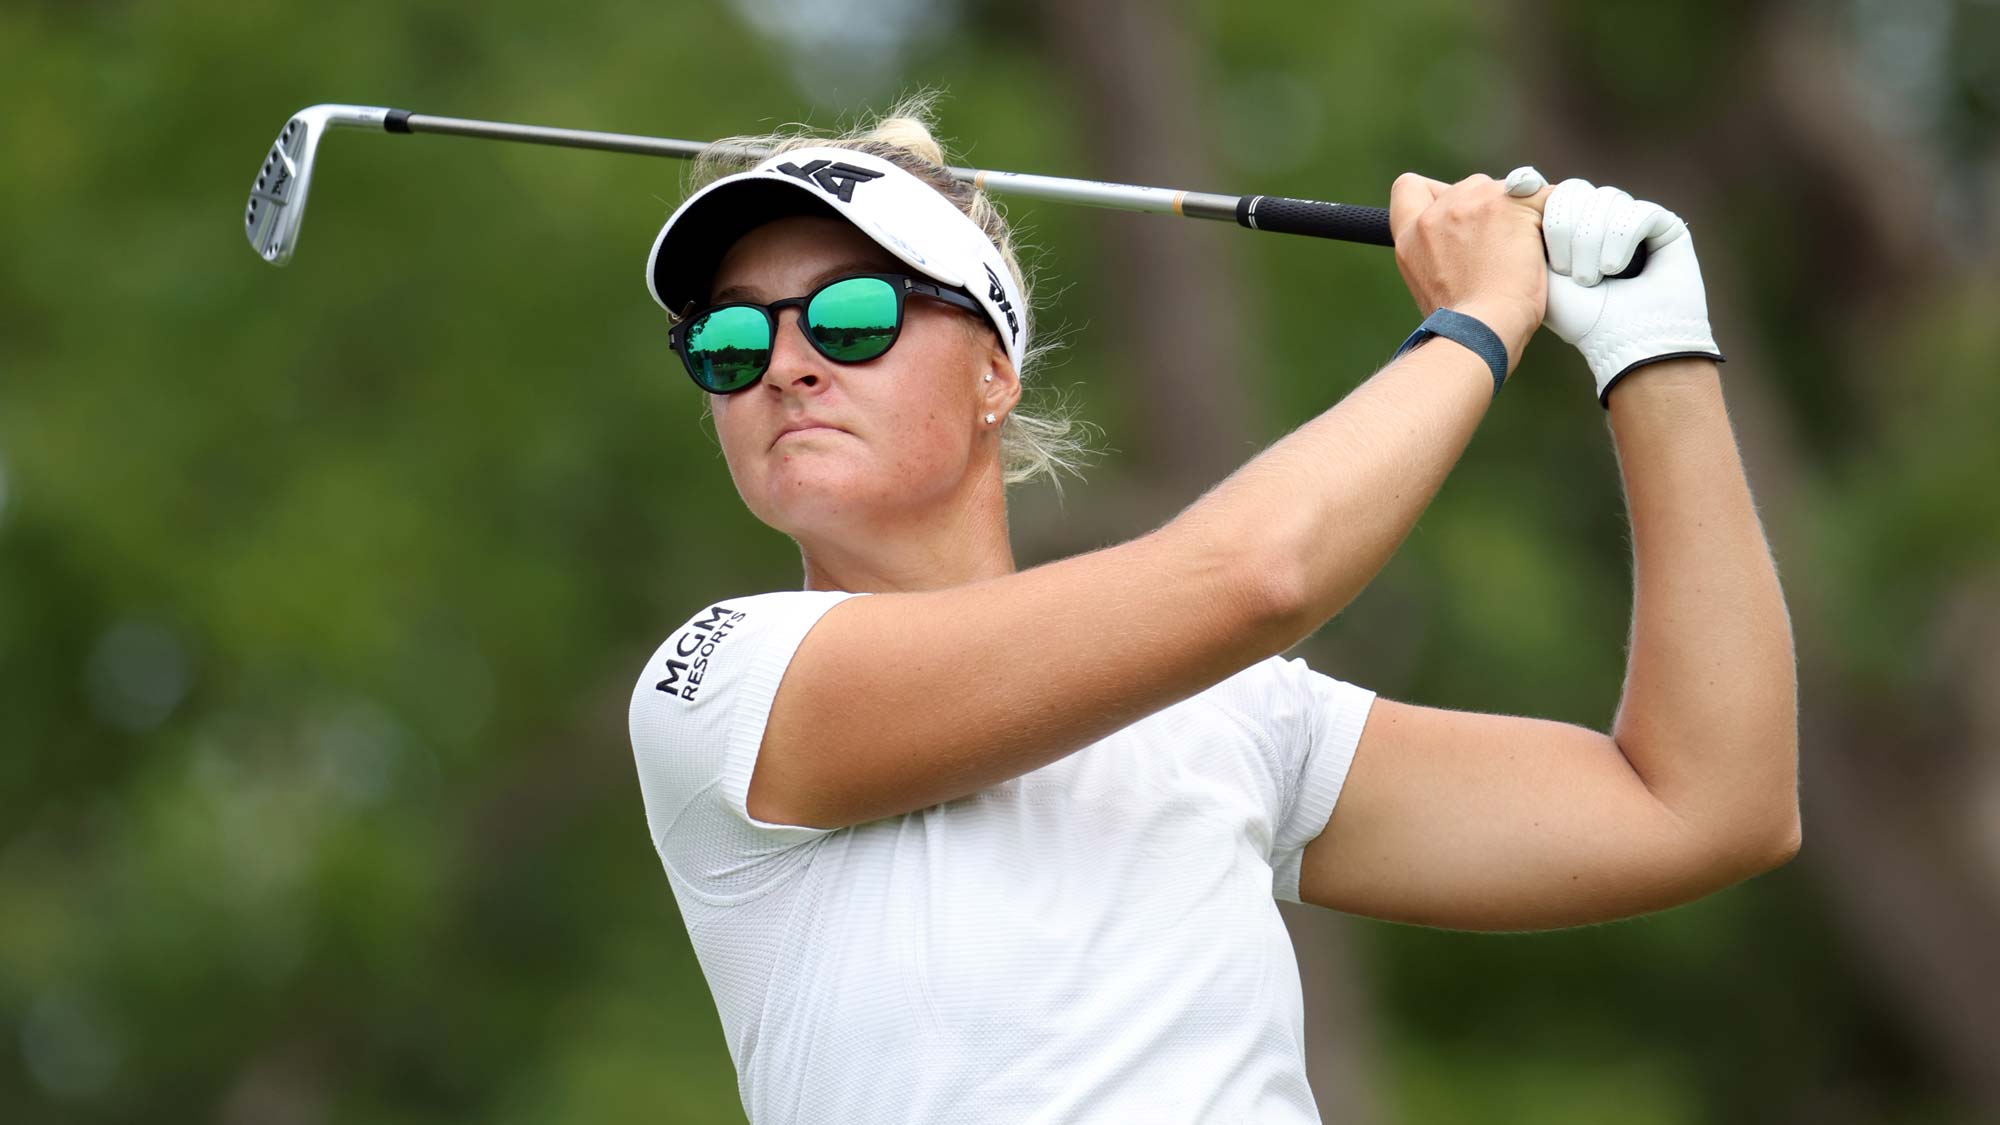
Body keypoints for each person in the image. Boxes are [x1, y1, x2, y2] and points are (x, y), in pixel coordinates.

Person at [627, 98, 1800, 1123]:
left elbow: (1704, 808)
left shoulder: (1234, 716)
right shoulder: (726, 685)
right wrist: (1481, 316)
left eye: (848, 320)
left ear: (995, 372)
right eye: (730, 340)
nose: (784, 364)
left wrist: (1654, 354)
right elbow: (1258, 577)